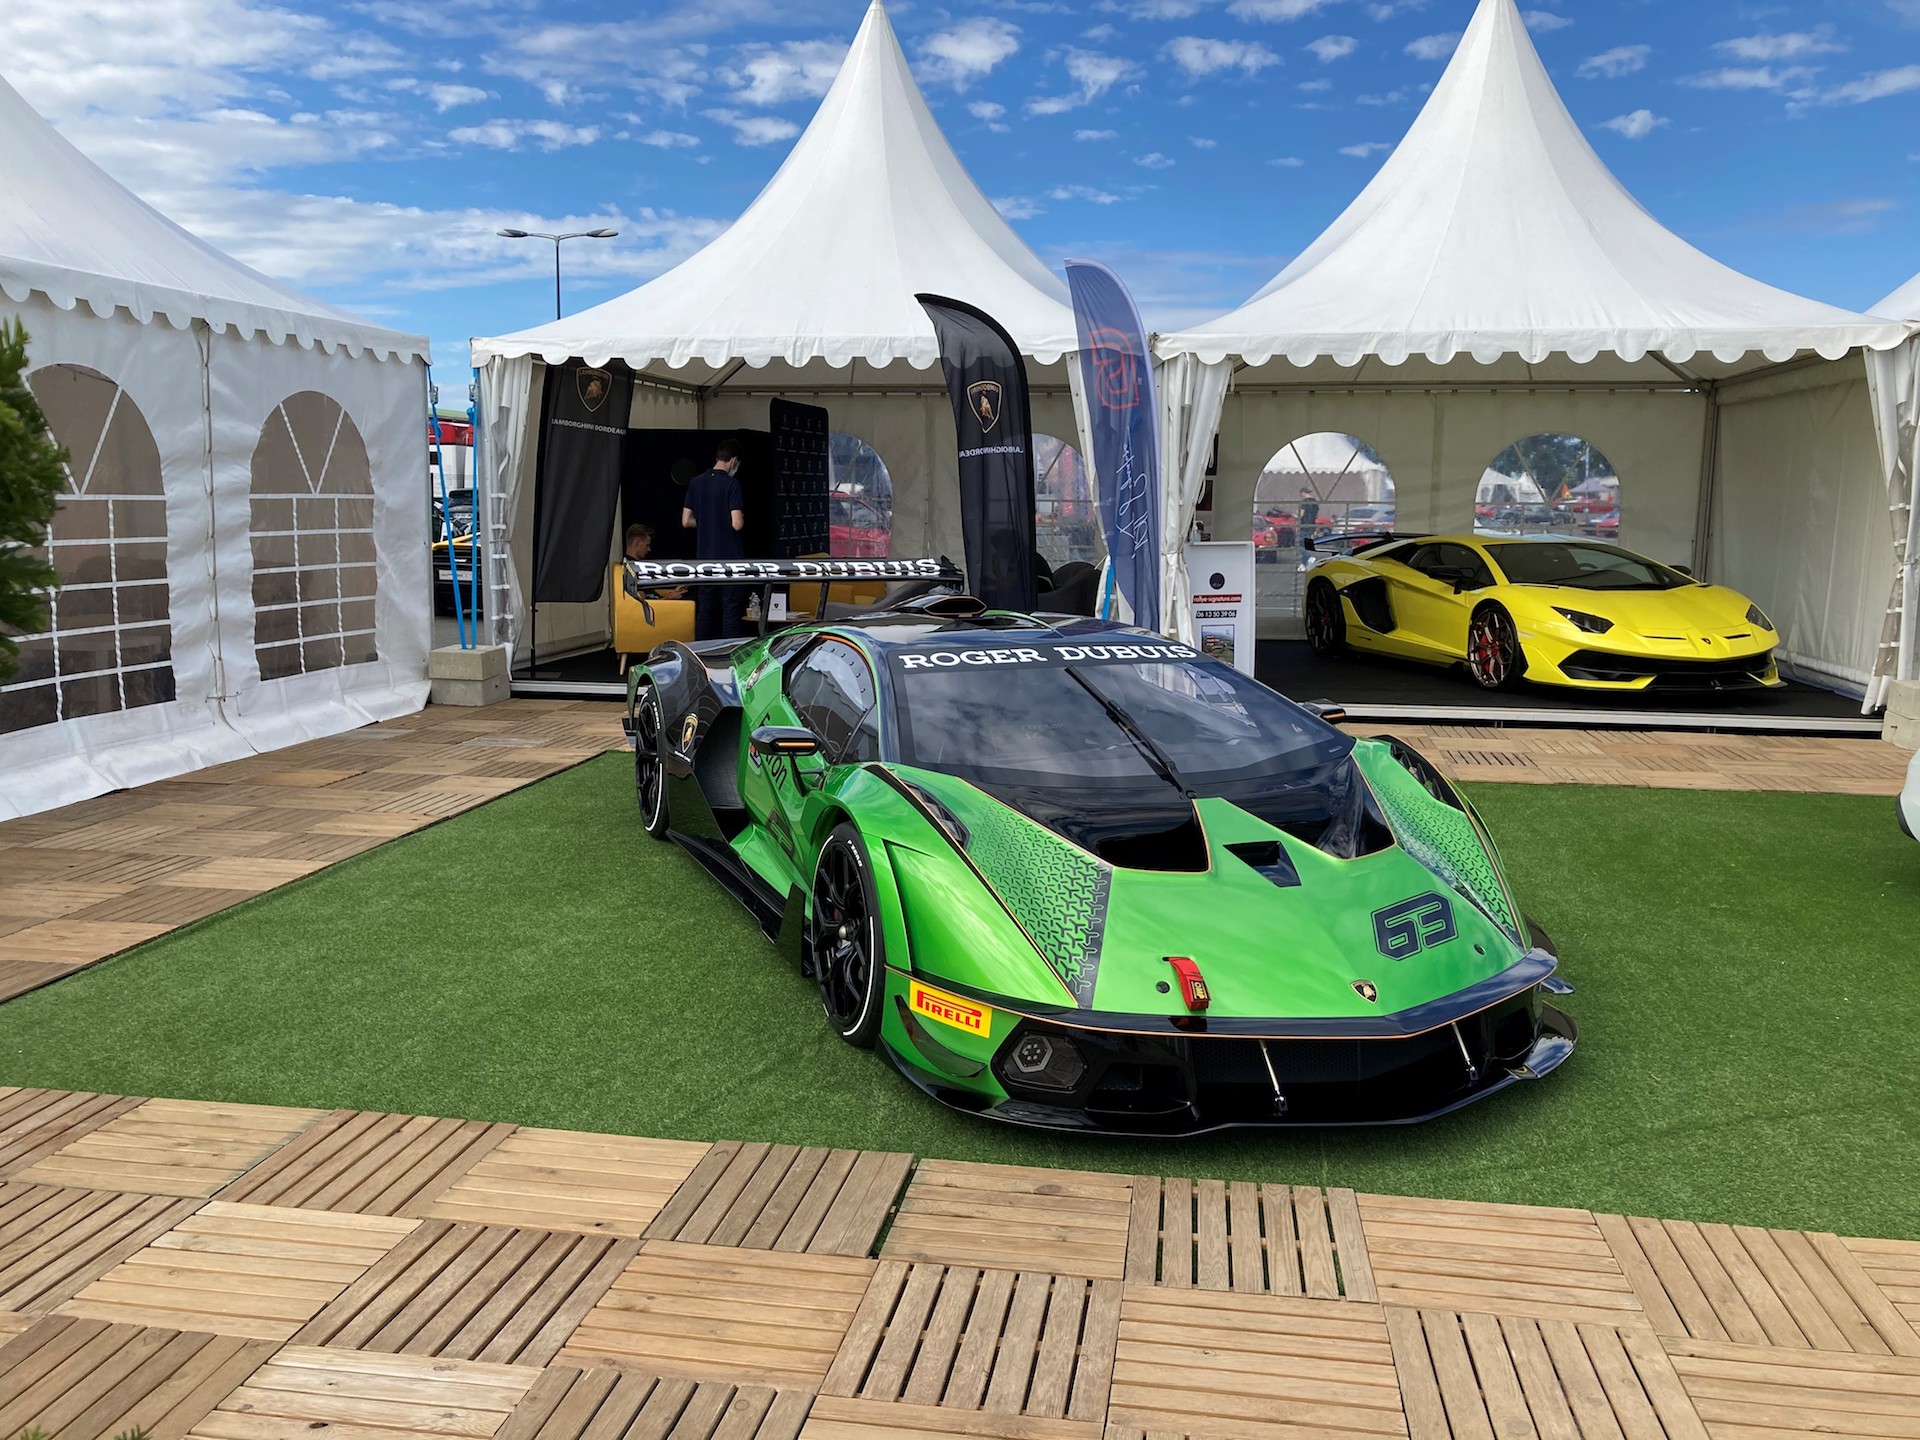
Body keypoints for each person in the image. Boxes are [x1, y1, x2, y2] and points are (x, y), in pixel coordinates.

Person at [682, 440, 747, 640]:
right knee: (730, 610)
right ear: (734, 460)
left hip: (704, 557)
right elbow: (737, 523)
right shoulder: (732, 484)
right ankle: (730, 655)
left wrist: (707, 522)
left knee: (706, 610)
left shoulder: (696, 482)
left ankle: (700, 654)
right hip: (729, 558)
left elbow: (686, 521)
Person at [622, 523, 687, 599]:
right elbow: (641, 604)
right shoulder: (629, 570)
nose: (649, 549)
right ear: (637, 542)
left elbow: (651, 595)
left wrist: (673, 593)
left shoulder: (637, 566)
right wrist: (670, 597)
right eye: (647, 545)